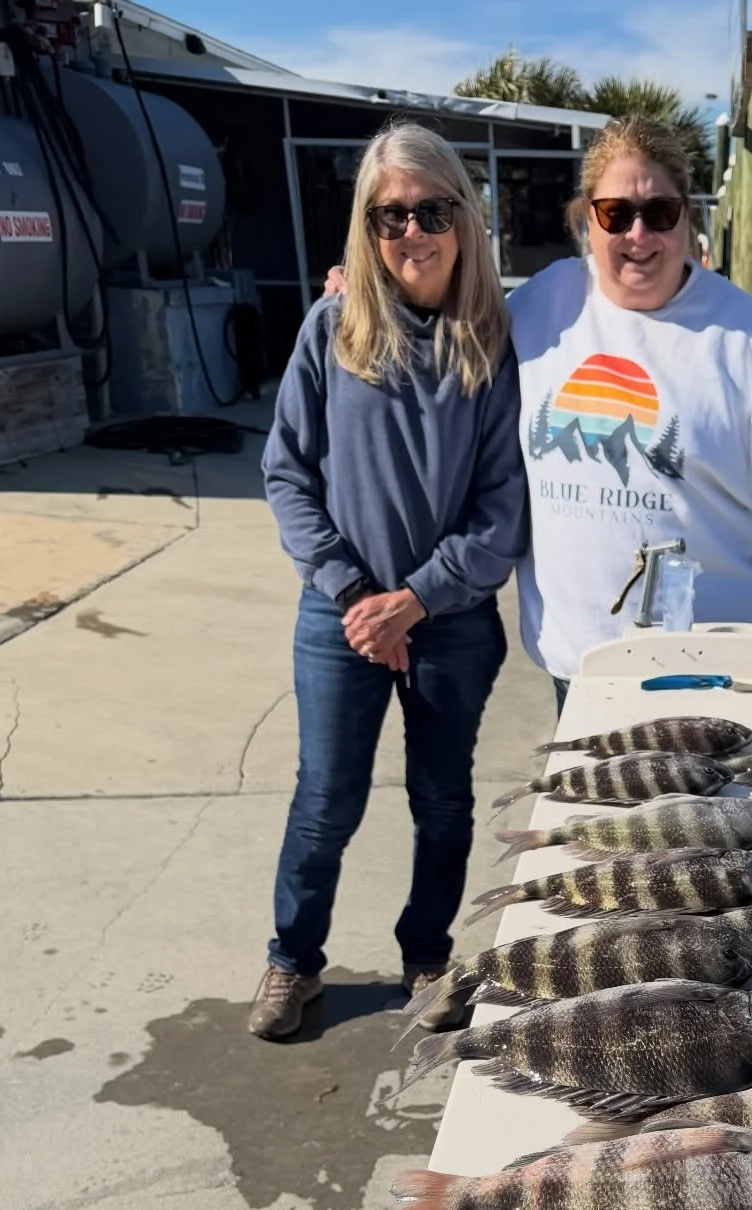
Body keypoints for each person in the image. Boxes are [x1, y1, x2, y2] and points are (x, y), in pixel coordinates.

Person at [252, 122, 528, 1039]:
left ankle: (426, 956)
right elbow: (288, 472)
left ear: (463, 215)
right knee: (325, 800)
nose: (412, 231)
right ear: (366, 230)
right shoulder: (332, 329)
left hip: (447, 621)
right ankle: (294, 959)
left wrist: (415, 599)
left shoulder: (493, 345)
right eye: (389, 216)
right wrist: (353, 596)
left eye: (431, 210)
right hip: (340, 618)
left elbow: (501, 513)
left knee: (442, 800)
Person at [508, 116, 752, 702]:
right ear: (586, 216)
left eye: (660, 212)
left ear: (687, 215)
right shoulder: (534, 309)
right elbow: (440, 336)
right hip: (579, 674)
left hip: (711, 679)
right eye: (615, 214)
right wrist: (363, 296)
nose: (638, 234)